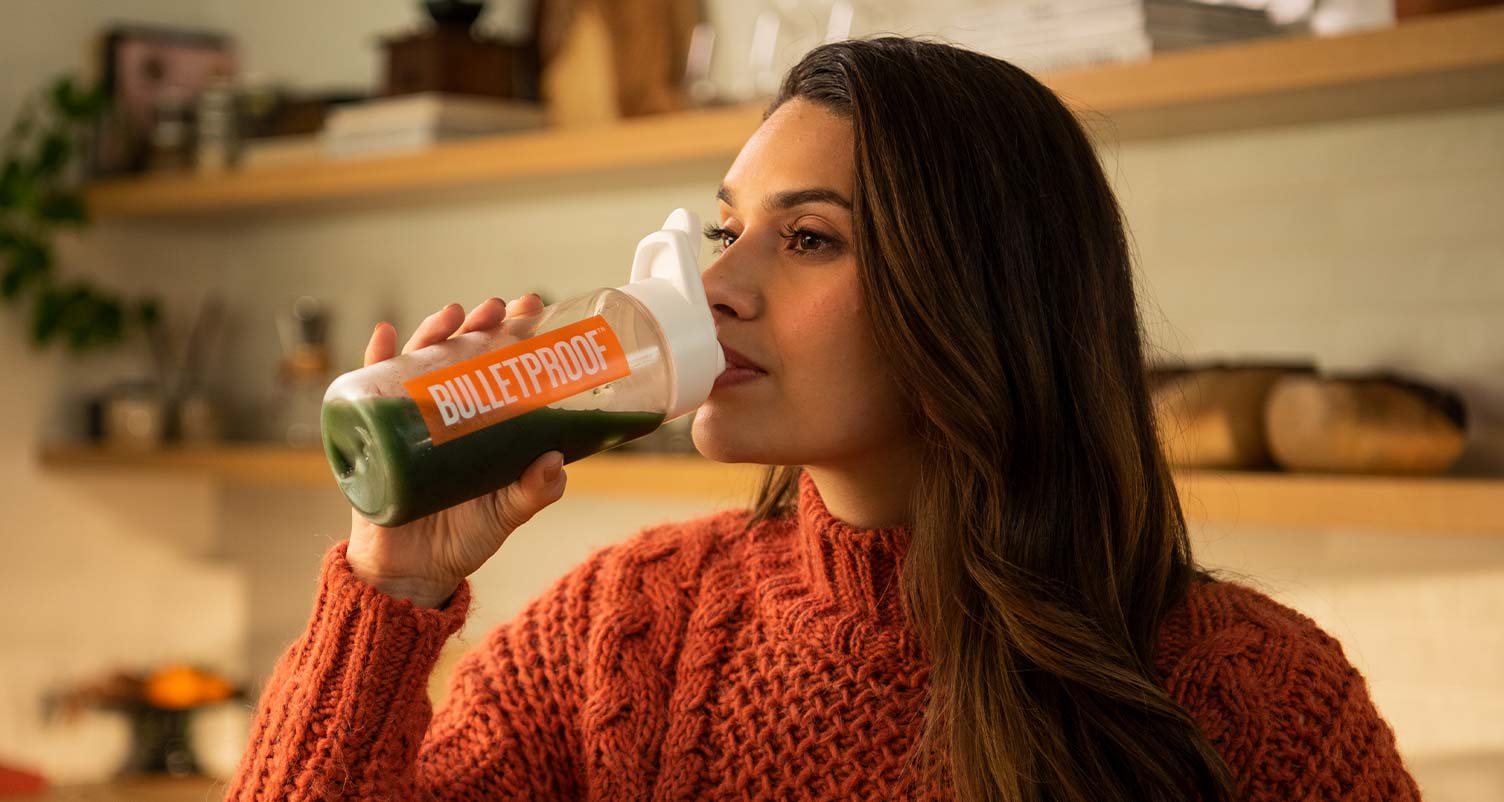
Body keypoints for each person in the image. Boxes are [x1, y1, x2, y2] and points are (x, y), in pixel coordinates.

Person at [226, 38, 1420, 802]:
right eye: (722, 231)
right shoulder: (624, 630)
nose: (715, 286)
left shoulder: (1259, 698)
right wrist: (391, 583)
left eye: (807, 239)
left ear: (977, 294)